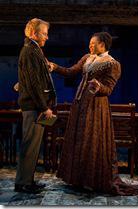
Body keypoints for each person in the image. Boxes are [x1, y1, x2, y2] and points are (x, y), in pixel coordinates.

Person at [51, 32, 138, 195]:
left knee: (91, 141)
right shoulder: (87, 58)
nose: (90, 46)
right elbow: (71, 71)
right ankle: (77, 179)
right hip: (79, 105)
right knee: (78, 140)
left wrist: (99, 86)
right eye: (90, 43)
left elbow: (109, 89)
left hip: (96, 107)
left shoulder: (112, 64)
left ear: (103, 45)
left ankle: (92, 180)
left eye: (93, 43)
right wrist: (55, 67)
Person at [15, 18, 56, 194]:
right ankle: (23, 183)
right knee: (29, 145)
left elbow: (32, 78)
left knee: (33, 146)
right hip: (34, 106)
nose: (46, 37)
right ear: (34, 33)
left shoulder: (34, 50)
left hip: (35, 105)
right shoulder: (30, 50)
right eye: (44, 34)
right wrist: (44, 107)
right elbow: (34, 83)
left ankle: (28, 180)